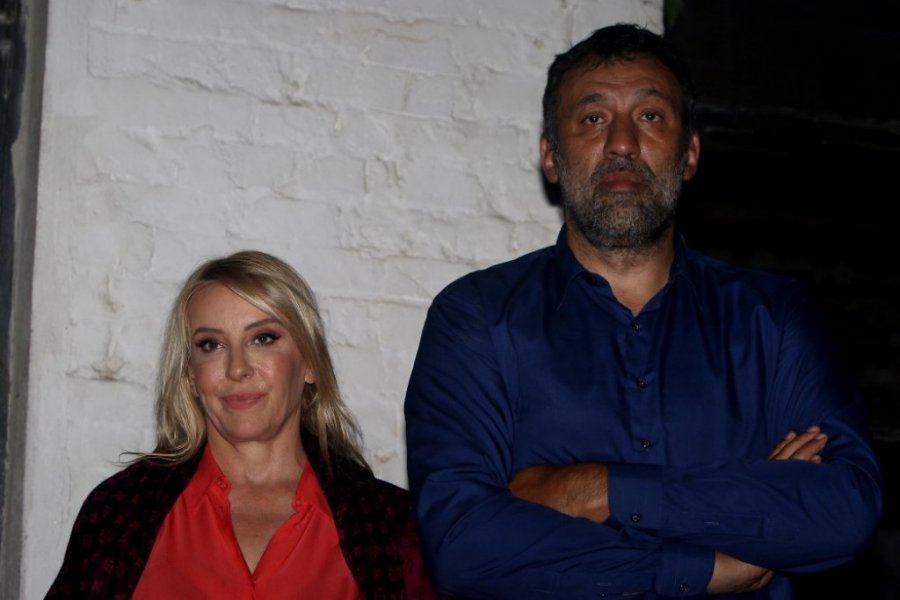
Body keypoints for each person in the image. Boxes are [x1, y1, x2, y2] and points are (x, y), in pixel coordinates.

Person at [404, 23, 882, 599]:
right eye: (593, 118)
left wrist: (599, 491)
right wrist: (714, 554)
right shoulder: (477, 319)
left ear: (690, 153)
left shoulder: (773, 319)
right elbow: (463, 544)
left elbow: (843, 510)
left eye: (651, 116)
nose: (623, 143)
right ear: (550, 157)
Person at [47, 250, 440, 599]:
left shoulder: (388, 525)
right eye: (211, 345)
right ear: (190, 375)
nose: (237, 368)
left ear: (309, 362)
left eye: (263, 338)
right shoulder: (120, 513)